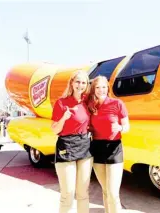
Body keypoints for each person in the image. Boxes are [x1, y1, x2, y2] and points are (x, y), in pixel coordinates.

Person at [51, 70, 93, 213]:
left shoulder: (88, 102)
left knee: (83, 194)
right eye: (78, 82)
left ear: (86, 85)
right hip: (66, 146)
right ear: (72, 83)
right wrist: (64, 117)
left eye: (83, 82)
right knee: (68, 193)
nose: (80, 85)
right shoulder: (61, 103)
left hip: (85, 147)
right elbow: (55, 130)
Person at [88, 76, 130, 213]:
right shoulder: (91, 106)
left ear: (108, 88)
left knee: (113, 192)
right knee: (105, 190)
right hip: (97, 148)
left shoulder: (117, 104)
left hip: (114, 148)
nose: (101, 90)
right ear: (94, 89)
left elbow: (127, 126)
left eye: (104, 87)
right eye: (98, 87)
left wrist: (120, 128)